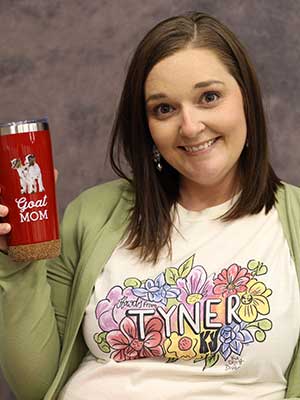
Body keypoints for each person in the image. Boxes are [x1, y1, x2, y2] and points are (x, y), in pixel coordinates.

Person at [0, 11, 299, 400]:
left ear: (247, 99)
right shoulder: (93, 213)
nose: (190, 126)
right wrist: (15, 266)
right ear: (147, 127)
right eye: (164, 109)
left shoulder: (293, 222)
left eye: (209, 97)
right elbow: (37, 386)